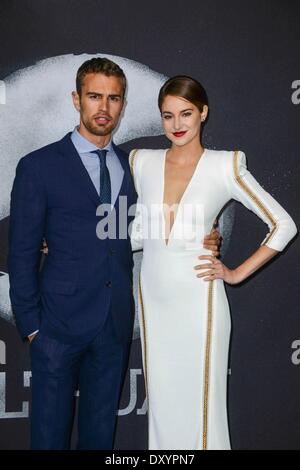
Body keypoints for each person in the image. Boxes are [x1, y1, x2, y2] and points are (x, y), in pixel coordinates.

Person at [7, 59, 220, 450]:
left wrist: (207, 233)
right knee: (48, 440)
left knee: (100, 439)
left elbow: (156, 223)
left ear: (122, 105)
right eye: (94, 96)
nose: (103, 108)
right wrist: (34, 327)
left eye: (113, 98)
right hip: (56, 329)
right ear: (77, 100)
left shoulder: (133, 166)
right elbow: (20, 253)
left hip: (113, 328)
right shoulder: (39, 167)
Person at [129, 75, 297, 450]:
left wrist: (235, 273)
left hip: (199, 303)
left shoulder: (225, 166)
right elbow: (139, 235)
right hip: (153, 303)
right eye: (168, 116)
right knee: (162, 411)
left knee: (204, 413)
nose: (177, 125)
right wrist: (68, 245)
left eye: (186, 114)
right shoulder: (143, 162)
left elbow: (283, 224)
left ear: (203, 113)